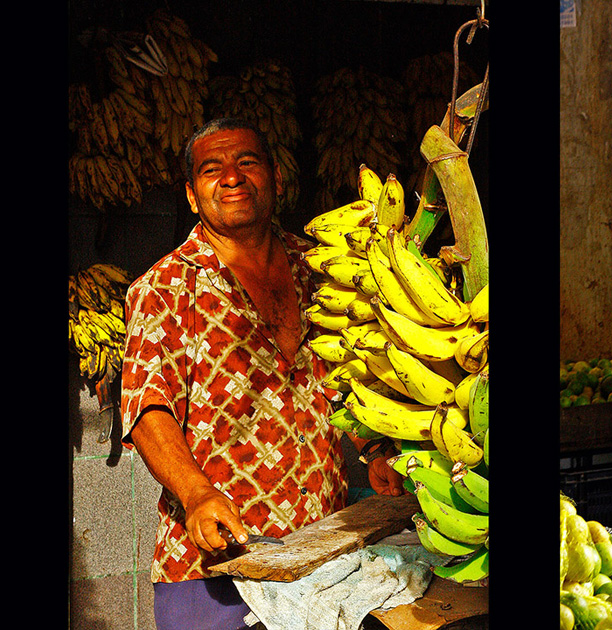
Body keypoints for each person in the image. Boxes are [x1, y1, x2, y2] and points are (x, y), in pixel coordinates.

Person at [120, 117, 404, 630]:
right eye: (212, 169)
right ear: (191, 195)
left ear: (274, 176)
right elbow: (146, 406)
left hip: (321, 554)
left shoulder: (319, 268)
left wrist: (374, 449)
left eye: (246, 162)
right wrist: (195, 493)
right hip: (213, 569)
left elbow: (342, 374)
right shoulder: (165, 287)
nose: (231, 178)